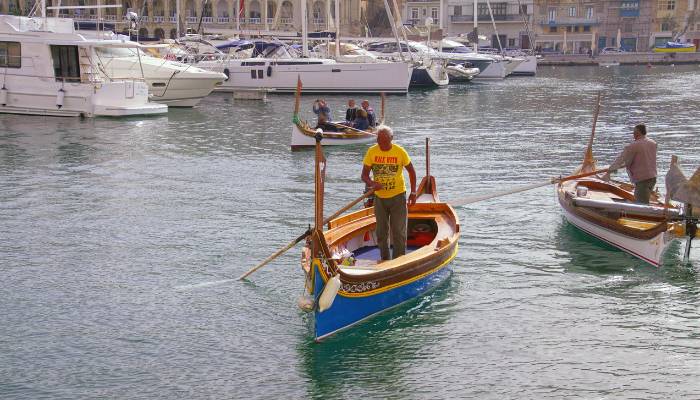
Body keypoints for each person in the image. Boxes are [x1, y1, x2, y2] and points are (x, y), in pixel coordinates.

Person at [361, 126, 416, 261]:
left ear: (392, 139)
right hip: (380, 198)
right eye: (380, 141)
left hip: (398, 196)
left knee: (398, 231)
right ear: (377, 139)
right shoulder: (372, 151)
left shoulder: (400, 151)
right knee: (381, 232)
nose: (383, 144)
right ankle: (385, 259)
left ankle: (399, 261)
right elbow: (364, 175)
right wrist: (372, 183)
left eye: (385, 141)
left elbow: (411, 172)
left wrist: (413, 192)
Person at [602, 123, 657, 204]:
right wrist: (628, 163)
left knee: (641, 203)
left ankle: (640, 215)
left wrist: (609, 171)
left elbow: (620, 159)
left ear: (638, 133)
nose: (633, 134)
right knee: (645, 199)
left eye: (634, 132)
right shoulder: (653, 143)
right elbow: (644, 157)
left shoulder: (633, 145)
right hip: (653, 177)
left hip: (642, 179)